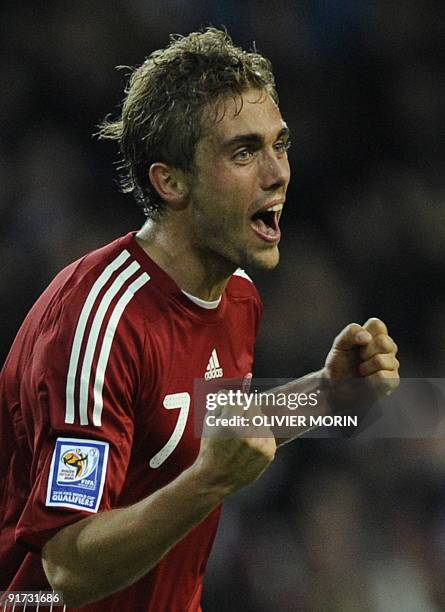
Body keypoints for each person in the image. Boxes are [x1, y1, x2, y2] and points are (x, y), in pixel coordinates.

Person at [0, 28, 399, 611]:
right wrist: (210, 483)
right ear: (170, 181)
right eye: (244, 152)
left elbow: (198, 427)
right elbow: (67, 568)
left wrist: (328, 396)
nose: (278, 173)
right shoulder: (100, 323)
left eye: (279, 144)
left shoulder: (236, 296)